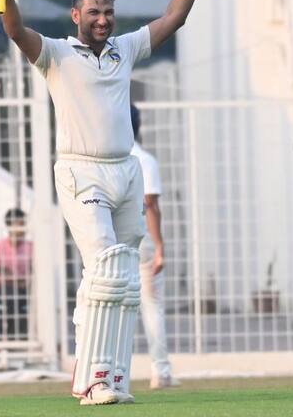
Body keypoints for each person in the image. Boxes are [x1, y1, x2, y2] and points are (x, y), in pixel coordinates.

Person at [0, 0, 219, 405]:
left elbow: (175, 16)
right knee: (107, 265)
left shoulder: (125, 49)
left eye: (108, 12)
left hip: (125, 170)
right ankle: (91, 378)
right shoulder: (57, 54)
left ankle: (106, 380)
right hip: (80, 170)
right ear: (76, 16)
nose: (104, 20)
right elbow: (15, 31)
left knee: (124, 280)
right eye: (94, 13)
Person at [129, 105, 178, 389]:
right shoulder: (145, 160)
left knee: (116, 307)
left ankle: (112, 373)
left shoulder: (110, 158)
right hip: (143, 240)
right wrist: (160, 247)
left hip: (115, 240)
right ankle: (160, 372)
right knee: (152, 307)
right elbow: (151, 206)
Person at [0, 207, 32, 338]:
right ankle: (15, 336)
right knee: (12, 294)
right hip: (4, 291)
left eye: (24, 223)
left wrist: (7, 275)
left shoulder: (31, 247)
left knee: (17, 295)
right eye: (20, 224)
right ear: (10, 226)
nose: (24, 227)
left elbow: (34, 275)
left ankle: (13, 337)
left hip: (26, 290)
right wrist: (17, 281)